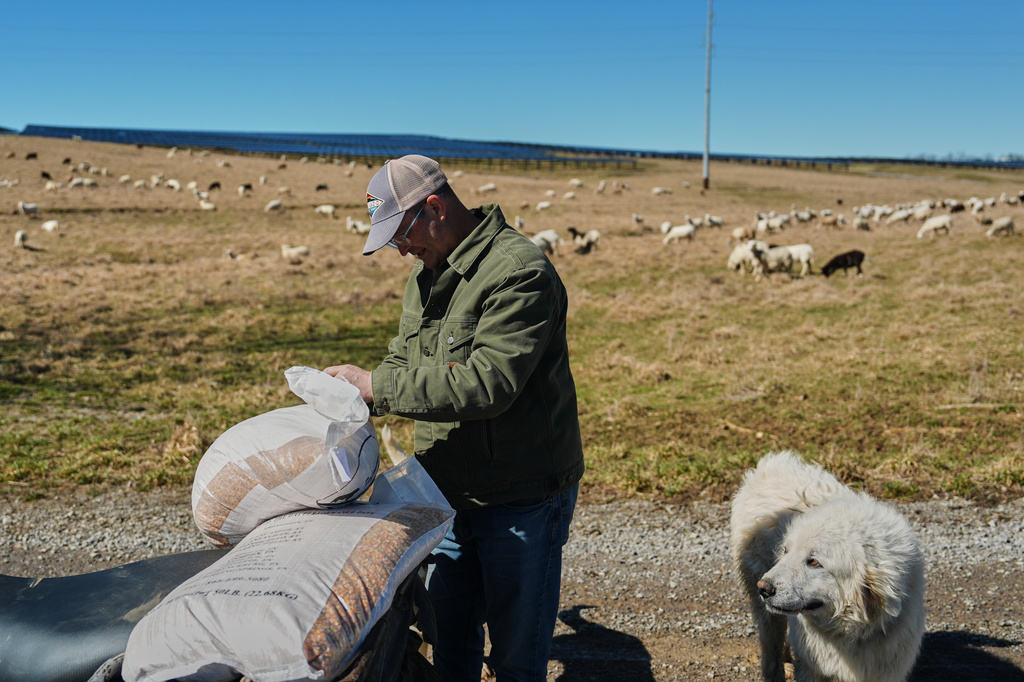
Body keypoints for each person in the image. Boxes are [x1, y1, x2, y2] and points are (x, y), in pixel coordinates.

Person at [324, 154, 584, 682]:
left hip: (520, 496)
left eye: (401, 234)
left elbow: (489, 383)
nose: (400, 250)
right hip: (444, 492)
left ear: (435, 209)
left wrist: (379, 386)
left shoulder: (519, 273)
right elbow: (404, 360)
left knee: (516, 655)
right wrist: (355, 397)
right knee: (448, 639)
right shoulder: (424, 277)